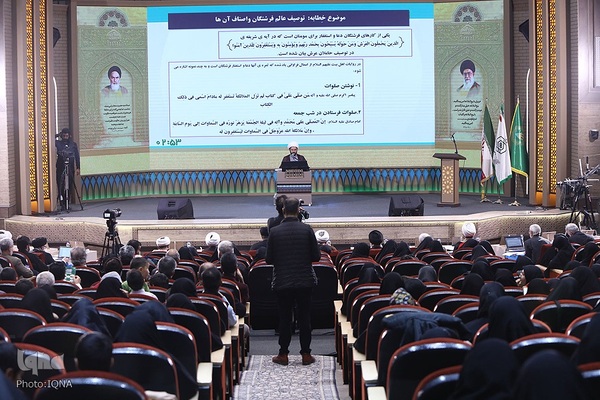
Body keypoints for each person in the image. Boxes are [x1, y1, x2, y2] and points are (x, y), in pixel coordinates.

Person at [266, 197, 321, 366]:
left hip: (282, 281)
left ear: (283, 210)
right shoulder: (307, 230)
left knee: (284, 318)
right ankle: (306, 354)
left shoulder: (274, 231)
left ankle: (283, 354)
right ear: (298, 210)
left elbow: (269, 259)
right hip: (305, 280)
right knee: (305, 318)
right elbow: (316, 256)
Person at [55, 127, 80, 207]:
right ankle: (62, 203)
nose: (65, 137)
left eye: (67, 135)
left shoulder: (73, 144)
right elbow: (50, 139)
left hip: (70, 167)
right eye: (64, 135)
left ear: (69, 136)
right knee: (61, 185)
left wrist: (78, 167)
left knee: (69, 185)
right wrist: (58, 135)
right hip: (60, 167)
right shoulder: (58, 143)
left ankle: (67, 203)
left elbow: (77, 156)